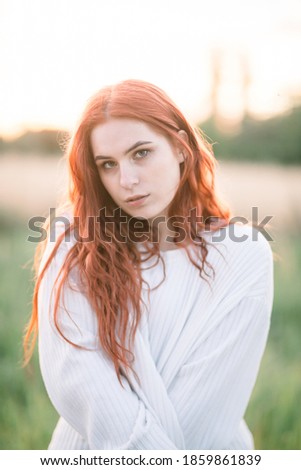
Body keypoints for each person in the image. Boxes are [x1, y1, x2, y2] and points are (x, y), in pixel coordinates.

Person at [23, 79, 274, 450]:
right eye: (108, 164)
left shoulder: (244, 254)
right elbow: (80, 382)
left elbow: (210, 404)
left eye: (140, 153)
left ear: (180, 148)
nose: (127, 181)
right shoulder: (73, 244)